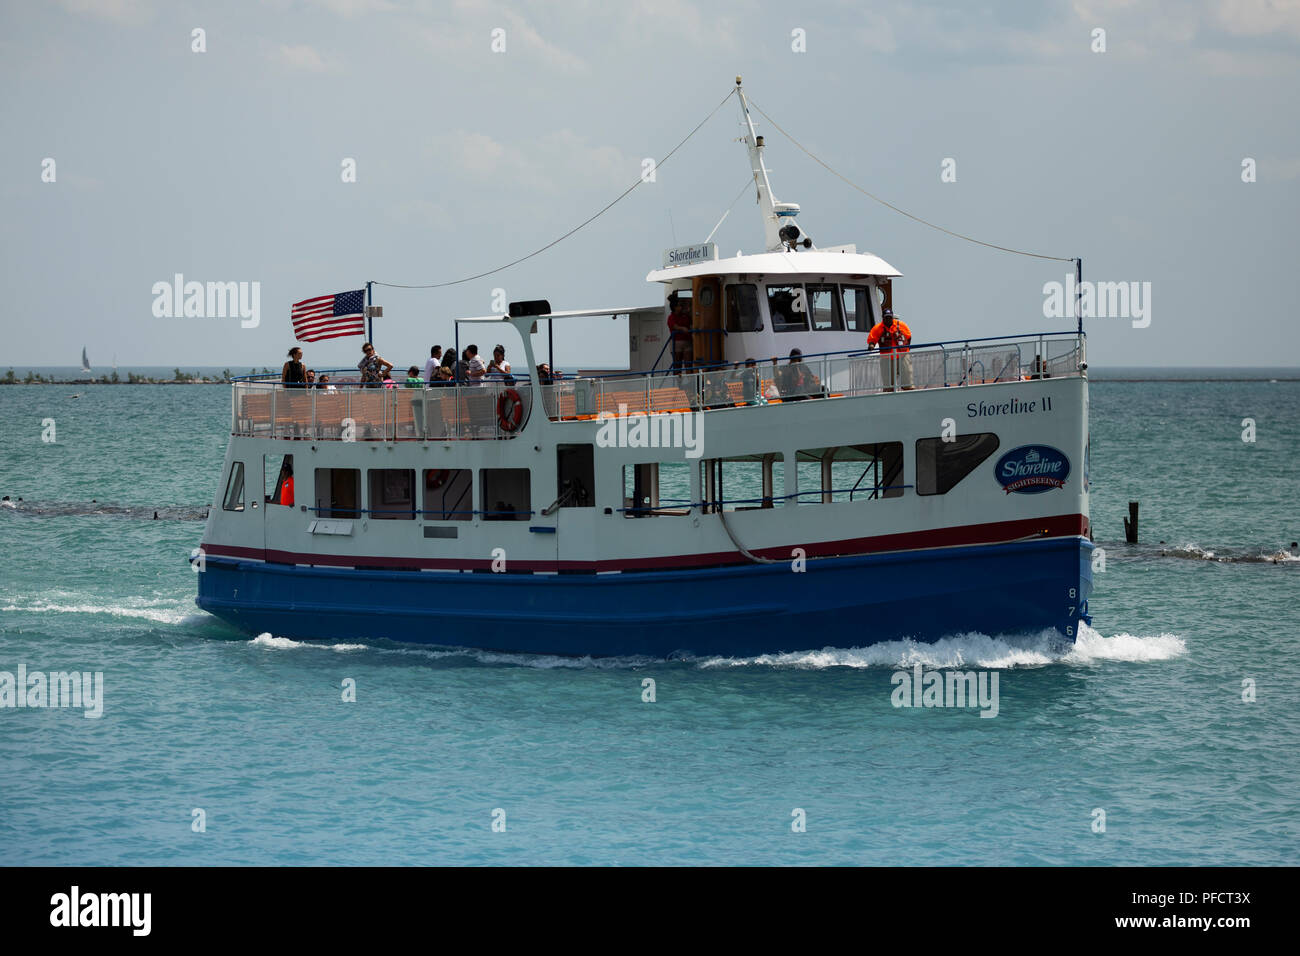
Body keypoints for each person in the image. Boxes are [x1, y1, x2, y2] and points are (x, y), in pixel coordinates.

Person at [867, 309, 913, 391]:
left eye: (890, 317)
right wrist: (871, 345)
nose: (888, 319)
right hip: (886, 358)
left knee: (907, 382)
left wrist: (906, 349)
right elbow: (872, 339)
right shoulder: (877, 328)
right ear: (883, 318)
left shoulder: (901, 325)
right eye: (886, 318)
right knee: (888, 386)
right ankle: (888, 394)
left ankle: (908, 391)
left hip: (902, 356)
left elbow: (909, 337)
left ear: (892, 317)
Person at [667, 294, 693, 369]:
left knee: (688, 365)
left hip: (687, 341)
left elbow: (690, 324)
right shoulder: (671, 317)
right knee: (678, 365)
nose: (681, 307)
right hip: (676, 343)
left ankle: (690, 380)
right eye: (679, 306)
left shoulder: (685, 316)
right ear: (675, 307)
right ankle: (678, 380)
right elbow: (674, 326)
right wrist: (682, 328)